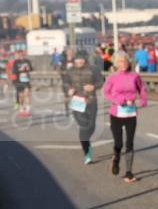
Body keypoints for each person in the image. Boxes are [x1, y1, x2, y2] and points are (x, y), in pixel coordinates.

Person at [102, 51, 148, 182]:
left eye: (125, 61)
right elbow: (105, 92)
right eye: (120, 62)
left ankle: (129, 172)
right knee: (119, 143)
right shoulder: (112, 77)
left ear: (129, 62)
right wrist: (117, 100)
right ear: (116, 64)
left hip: (131, 113)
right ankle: (116, 159)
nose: (123, 64)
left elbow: (142, 89)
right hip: (116, 113)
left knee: (129, 143)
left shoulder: (135, 76)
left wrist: (143, 100)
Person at [63, 49, 103, 164]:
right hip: (77, 102)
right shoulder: (69, 71)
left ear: (85, 59)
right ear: (74, 60)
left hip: (91, 101)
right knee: (83, 126)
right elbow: (65, 83)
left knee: (91, 126)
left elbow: (101, 81)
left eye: (81, 59)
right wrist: (69, 89)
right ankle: (87, 154)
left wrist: (93, 86)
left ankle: (86, 141)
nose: (79, 61)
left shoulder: (94, 69)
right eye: (77, 59)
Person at [12, 49, 34, 116]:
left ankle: (28, 109)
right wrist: (20, 69)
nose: (21, 55)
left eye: (22, 54)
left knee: (27, 95)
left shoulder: (27, 61)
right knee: (21, 96)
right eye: (20, 54)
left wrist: (28, 69)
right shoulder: (16, 62)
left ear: (24, 54)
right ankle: (21, 109)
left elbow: (31, 69)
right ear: (18, 55)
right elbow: (14, 71)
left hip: (26, 81)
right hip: (19, 81)